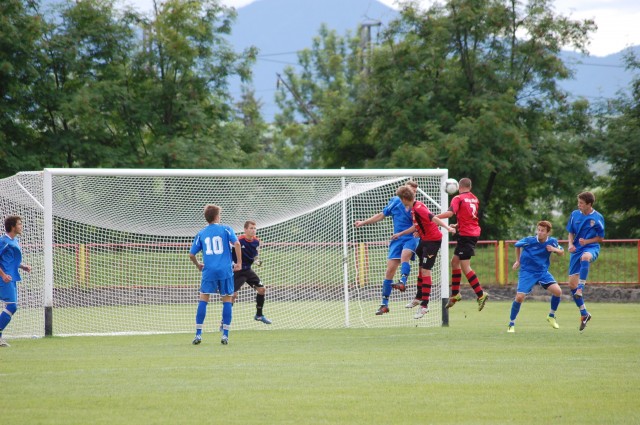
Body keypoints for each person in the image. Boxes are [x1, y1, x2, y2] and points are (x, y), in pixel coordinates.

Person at [355, 181, 419, 315]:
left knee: (405, 255)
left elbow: (424, 221)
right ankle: (384, 304)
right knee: (390, 270)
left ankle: (403, 282)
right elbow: (381, 215)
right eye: (411, 191)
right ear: (404, 191)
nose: (413, 194)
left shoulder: (416, 206)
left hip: (410, 237)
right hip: (397, 239)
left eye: (415, 192)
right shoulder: (395, 201)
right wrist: (363, 223)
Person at [392, 187, 455, 319]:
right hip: (424, 241)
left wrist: (448, 227)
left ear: (404, 199)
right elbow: (417, 225)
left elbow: (433, 218)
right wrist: (401, 233)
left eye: (400, 198)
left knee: (426, 271)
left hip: (432, 241)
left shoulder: (419, 208)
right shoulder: (415, 207)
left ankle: (424, 306)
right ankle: (418, 298)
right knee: (421, 269)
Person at [189, 205, 242, 345]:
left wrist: (198, 264)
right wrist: (239, 263)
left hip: (209, 271)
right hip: (225, 270)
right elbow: (236, 243)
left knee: (203, 300)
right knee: (227, 300)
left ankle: (198, 334)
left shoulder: (201, 233)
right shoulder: (226, 229)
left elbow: (191, 254)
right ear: (217, 216)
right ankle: (225, 335)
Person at [436, 178, 489, 311]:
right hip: (471, 232)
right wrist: (458, 225)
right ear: (469, 187)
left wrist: (434, 217)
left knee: (465, 266)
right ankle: (455, 294)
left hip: (466, 235)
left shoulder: (458, 198)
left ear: (458, 187)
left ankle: (481, 294)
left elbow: (450, 213)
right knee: (454, 262)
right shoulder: (475, 199)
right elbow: (470, 217)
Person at [508, 220, 564, 333]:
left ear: (548, 232)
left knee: (558, 291)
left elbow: (561, 252)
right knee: (519, 297)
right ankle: (511, 323)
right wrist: (518, 261)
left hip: (542, 272)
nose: (539, 232)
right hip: (527, 272)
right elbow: (517, 245)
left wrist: (554, 249)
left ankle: (551, 316)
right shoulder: (529, 240)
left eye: (542, 230)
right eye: (538, 230)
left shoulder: (552, 241)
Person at [566, 191, 605, 332]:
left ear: (589, 204)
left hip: (591, 247)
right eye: (579, 202)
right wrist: (570, 244)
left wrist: (587, 241)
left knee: (586, 257)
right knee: (571, 284)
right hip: (576, 249)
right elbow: (570, 232)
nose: (579, 205)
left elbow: (601, 238)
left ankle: (581, 288)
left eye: (581, 203)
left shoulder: (597, 217)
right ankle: (584, 313)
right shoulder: (575, 214)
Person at [232, 220, 272, 325]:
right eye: (251, 228)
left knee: (262, 290)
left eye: (255, 228)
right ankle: (224, 322)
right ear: (245, 229)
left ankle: (259, 315)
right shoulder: (238, 240)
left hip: (248, 270)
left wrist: (257, 261)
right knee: (232, 295)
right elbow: (229, 252)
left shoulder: (256, 241)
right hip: (237, 271)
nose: (253, 230)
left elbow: (255, 256)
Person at [0, 215, 31, 347]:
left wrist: (22, 266)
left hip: (11, 278)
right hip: (4, 279)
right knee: (12, 306)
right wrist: (3, 275)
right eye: (19, 224)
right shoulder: (3, 241)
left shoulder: (14, 241)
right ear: (12, 227)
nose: (21, 226)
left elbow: (9, 260)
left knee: (12, 306)